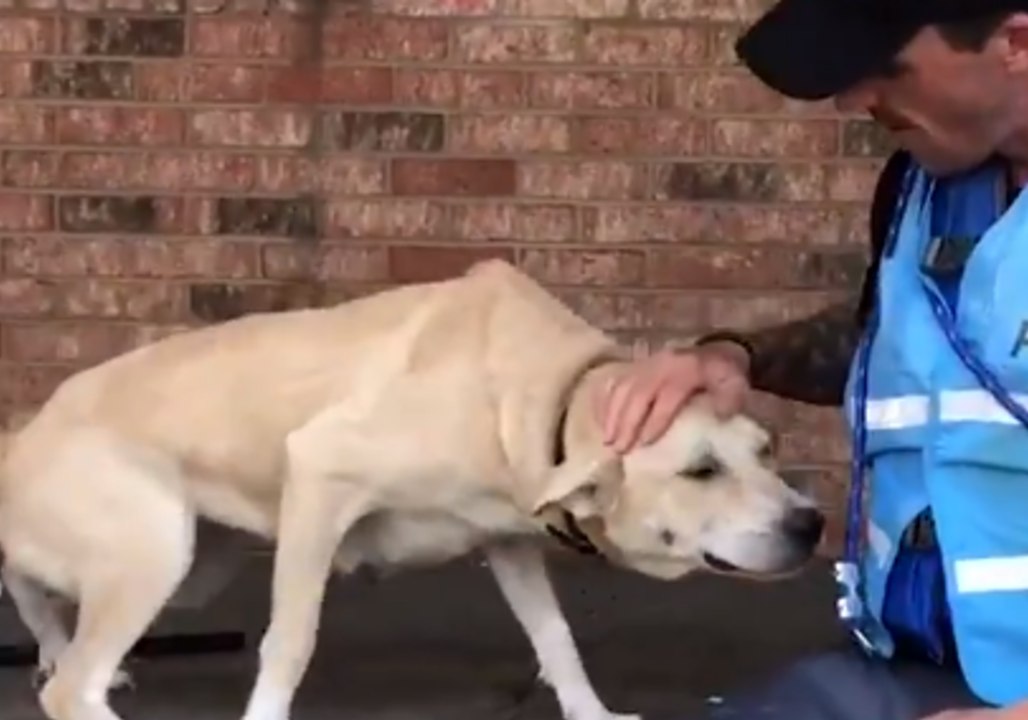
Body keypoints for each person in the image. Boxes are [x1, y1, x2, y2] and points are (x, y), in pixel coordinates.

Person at [594, 3, 1028, 720]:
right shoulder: (921, 186)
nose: (855, 98)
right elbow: (910, 349)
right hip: (915, 669)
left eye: (888, 67)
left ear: (1014, 43)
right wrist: (735, 358)